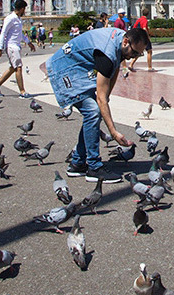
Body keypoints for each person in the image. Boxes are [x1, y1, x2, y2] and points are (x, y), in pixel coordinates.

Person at [45, 24, 149, 183]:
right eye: (135, 52)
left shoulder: (122, 43)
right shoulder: (107, 52)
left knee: (93, 112)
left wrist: (106, 97)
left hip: (79, 68)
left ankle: (78, 163)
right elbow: (101, 96)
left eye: (139, 55)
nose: (134, 56)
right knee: (93, 111)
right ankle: (93, 167)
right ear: (126, 42)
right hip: (65, 69)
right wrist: (113, 133)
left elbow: (114, 70)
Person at [0, 0, 37, 99]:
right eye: (24, 9)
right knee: (18, 67)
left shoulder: (18, 19)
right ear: (21, 9)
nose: (25, 11)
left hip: (16, 46)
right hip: (12, 46)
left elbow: (19, 34)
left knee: (13, 68)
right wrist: (0, 48)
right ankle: (22, 92)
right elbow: (3, 32)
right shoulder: (10, 18)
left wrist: (28, 42)